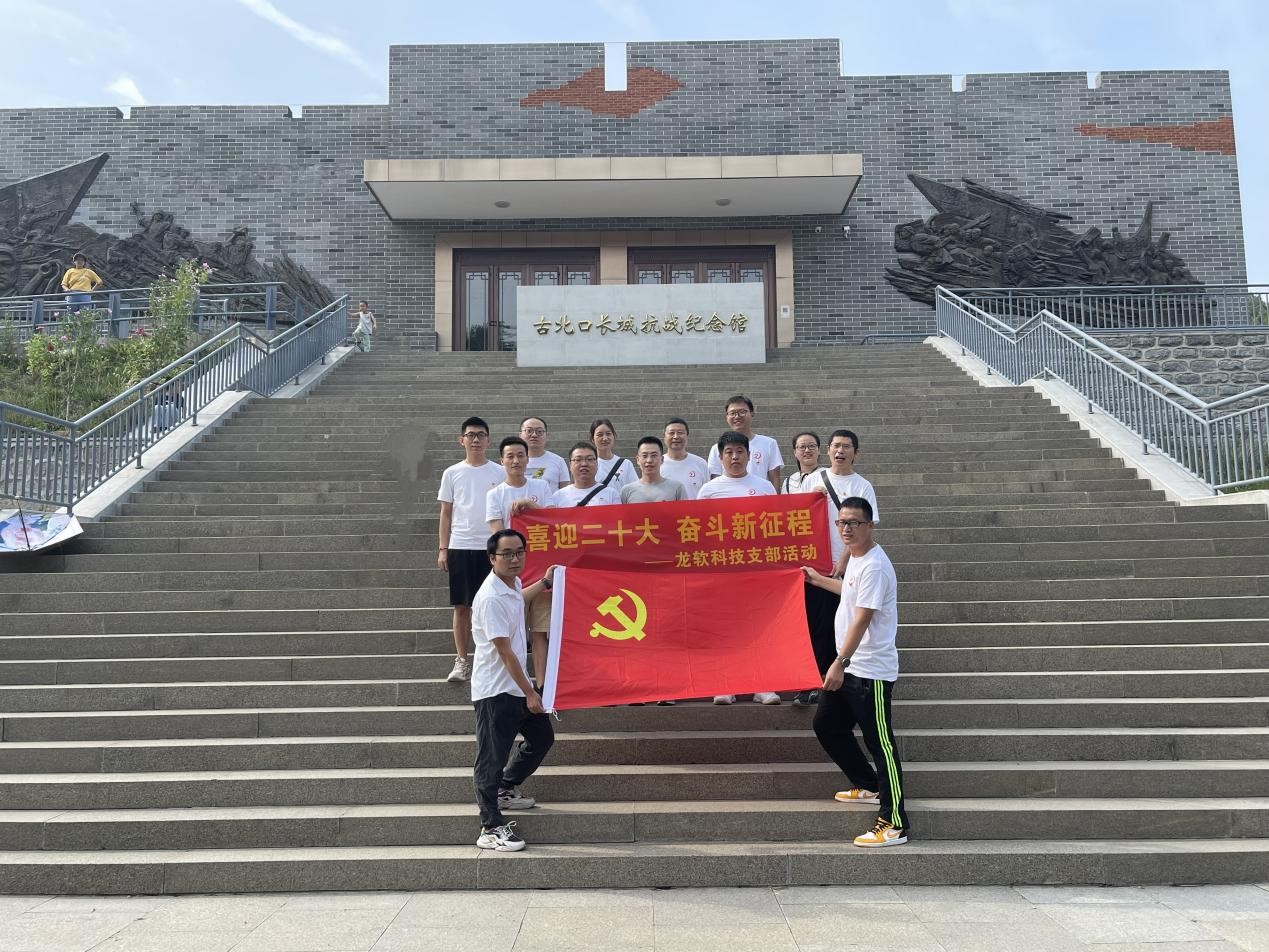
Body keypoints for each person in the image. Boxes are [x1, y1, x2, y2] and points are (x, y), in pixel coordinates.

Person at [802, 497, 908, 848]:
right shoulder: (858, 559)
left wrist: (839, 662)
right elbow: (850, 594)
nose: (846, 529)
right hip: (851, 666)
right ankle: (868, 785)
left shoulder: (875, 566)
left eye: (854, 523)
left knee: (881, 745)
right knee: (827, 726)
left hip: (869, 671)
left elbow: (862, 618)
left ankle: (894, 822)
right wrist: (818, 580)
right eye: (841, 522)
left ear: (870, 525)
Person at [470, 528, 558, 852]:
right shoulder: (491, 597)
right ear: (492, 558)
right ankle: (489, 827)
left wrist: (545, 582)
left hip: (516, 686)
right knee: (490, 759)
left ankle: (506, 788)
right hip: (496, 692)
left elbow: (519, 600)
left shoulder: (511, 585)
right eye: (506, 554)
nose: (514, 558)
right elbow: (505, 652)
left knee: (542, 738)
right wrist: (532, 692)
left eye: (519, 552)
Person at [516, 441, 623, 689]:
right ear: (570, 465)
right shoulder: (558, 497)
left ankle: (601, 682)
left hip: (595, 574)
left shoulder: (610, 494)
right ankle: (546, 685)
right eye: (578, 460)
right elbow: (549, 531)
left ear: (597, 464)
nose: (584, 464)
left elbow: (617, 532)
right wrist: (532, 509)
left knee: (597, 629)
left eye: (589, 459)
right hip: (562, 574)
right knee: (545, 629)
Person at [696, 432, 781, 706]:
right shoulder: (709, 491)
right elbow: (699, 534)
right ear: (720, 457)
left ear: (750, 455)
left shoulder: (765, 487)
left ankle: (762, 685)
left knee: (759, 627)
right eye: (729, 452)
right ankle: (726, 684)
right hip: (722, 571)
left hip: (757, 568)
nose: (735, 457)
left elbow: (775, 529)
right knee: (725, 627)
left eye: (740, 452)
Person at [438, 416, 506, 684]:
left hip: (492, 547)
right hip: (461, 544)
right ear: (462, 440)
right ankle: (462, 660)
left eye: (481, 435)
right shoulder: (452, 473)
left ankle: (493, 659)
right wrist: (443, 548)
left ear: (488, 440)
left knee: (493, 605)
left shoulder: (500, 472)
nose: (476, 439)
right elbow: (446, 512)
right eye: (471, 435)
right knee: (462, 606)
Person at [782, 430, 830, 704]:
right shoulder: (788, 482)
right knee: (803, 624)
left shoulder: (827, 477)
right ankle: (805, 679)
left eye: (812, 446)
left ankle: (822, 678)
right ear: (794, 453)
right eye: (802, 447)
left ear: (820, 450)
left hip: (821, 562)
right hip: (796, 563)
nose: (807, 450)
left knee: (823, 623)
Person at [815, 430, 880, 577]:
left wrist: (843, 560)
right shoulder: (812, 479)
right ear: (828, 449)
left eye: (846, 446)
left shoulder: (863, 486)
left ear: (856, 453)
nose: (840, 450)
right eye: (836, 445)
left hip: (850, 562)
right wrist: (811, 497)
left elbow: (866, 527)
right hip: (818, 561)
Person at [706, 395, 783, 493]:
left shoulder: (769, 444)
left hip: (759, 498)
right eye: (732, 413)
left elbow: (775, 481)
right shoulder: (716, 448)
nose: (737, 416)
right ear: (726, 417)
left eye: (742, 412)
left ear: (752, 413)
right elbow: (715, 482)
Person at [486, 436, 553, 534]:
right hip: (512, 544)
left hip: (540, 541)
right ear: (502, 461)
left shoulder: (542, 486)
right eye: (510, 457)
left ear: (527, 459)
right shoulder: (494, 494)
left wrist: (528, 503)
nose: (516, 461)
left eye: (520, 456)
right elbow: (498, 533)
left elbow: (552, 519)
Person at [621, 436, 687, 504]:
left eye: (654, 455)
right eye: (644, 456)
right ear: (638, 460)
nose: (649, 460)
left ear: (662, 459)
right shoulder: (627, 491)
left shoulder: (677, 488)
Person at [660, 418, 709, 500]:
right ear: (664, 437)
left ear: (687, 436)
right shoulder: (657, 464)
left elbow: (707, 494)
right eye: (671, 433)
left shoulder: (700, 463)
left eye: (680, 432)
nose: (676, 437)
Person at [520, 417, 569, 490]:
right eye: (529, 431)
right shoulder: (513, 461)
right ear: (520, 435)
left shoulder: (559, 461)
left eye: (539, 431)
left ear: (547, 436)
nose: (534, 435)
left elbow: (565, 491)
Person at [590, 418, 637, 491]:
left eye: (608, 434)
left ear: (614, 436)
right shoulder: (588, 465)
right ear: (593, 439)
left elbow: (634, 491)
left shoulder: (626, 464)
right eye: (600, 435)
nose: (605, 438)